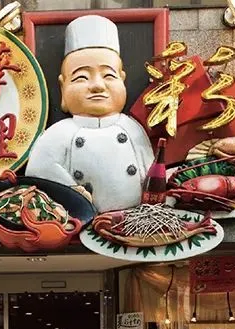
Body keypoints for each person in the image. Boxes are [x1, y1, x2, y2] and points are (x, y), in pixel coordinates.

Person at [25, 15, 154, 213]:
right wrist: (72, 192)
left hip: (135, 222)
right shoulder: (60, 133)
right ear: (63, 88)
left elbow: (151, 172)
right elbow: (39, 170)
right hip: (79, 220)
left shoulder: (132, 129)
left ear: (123, 80)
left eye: (109, 75)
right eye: (81, 77)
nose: (97, 86)